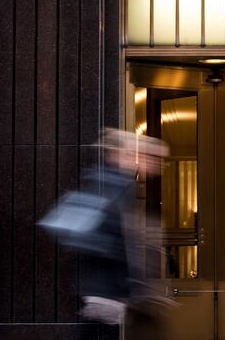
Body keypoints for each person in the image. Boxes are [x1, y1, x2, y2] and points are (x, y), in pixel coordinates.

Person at [77, 128, 170, 339]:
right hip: (107, 293)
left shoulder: (113, 182)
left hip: (108, 291)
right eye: (153, 158)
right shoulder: (115, 185)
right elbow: (120, 241)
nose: (158, 165)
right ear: (132, 155)